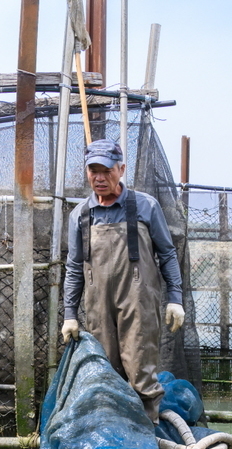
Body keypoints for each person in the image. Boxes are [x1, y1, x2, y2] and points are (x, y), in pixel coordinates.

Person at [60, 138, 185, 423]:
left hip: (138, 302)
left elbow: (167, 253)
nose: (100, 178)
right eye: (94, 171)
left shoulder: (145, 206)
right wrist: (70, 315)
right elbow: (75, 266)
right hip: (98, 306)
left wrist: (174, 299)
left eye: (106, 170)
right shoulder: (80, 215)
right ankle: (112, 432)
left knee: (140, 371)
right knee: (104, 372)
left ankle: (145, 434)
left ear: (121, 169)